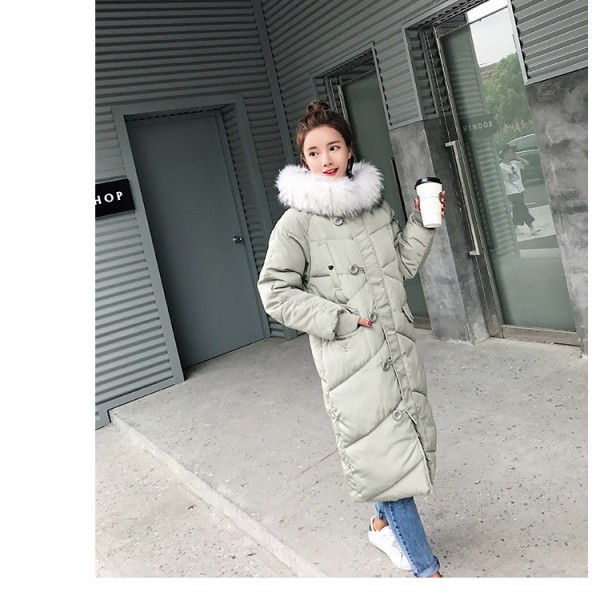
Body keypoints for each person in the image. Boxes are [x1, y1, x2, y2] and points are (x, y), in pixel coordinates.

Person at [257, 101, 445, 578]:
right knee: (386, 459)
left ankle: (381, 526)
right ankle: (427, 571)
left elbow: (402, 266)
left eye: (333, 147)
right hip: (351, 360)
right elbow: (275, 292)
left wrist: (424, 224)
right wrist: (339, 320)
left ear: (349, 149)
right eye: (314, 152)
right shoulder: (297, 223)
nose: (326, 159)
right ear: (303, 160)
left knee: (392, 448)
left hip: (396, 348)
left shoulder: (374, 207)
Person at [499, 144, 541, 235]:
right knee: (522, 207)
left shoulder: (515, 163)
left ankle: (514, 227)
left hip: (520, 189)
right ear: (503, 154)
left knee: (517, 208)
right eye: (507, 152)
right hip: (510, 191)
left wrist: (517, 157)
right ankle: (531, 226)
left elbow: (526, 163)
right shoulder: (501, 166)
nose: (509, 154)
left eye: (511, 152)